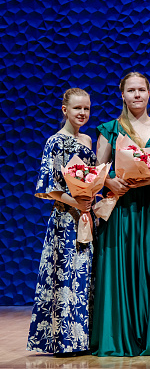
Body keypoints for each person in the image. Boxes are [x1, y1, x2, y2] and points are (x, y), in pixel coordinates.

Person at [91, 72, 150, 356]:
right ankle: (118, 339)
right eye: (131, 90)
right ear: (122, 95)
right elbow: (96, 171)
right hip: (121, 211)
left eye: (141, 90)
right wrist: (109, 181)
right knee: (120, 274)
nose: (137, 95)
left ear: (149, 93)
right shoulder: (110, 129)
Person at [28, 88, 96, 356]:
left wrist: (91, 200)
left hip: (85, 218)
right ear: (64, 110)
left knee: (83, 278)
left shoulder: (87, 140)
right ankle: (64, 341)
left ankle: (82, 339)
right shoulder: (55, 142)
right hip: (65, 219)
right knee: (65, 277)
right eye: (77, 108)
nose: (82, 113)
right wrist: (76, 203)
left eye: (86, 108)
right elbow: (49, 188)